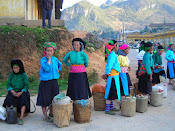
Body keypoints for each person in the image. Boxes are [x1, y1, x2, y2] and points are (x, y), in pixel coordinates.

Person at [36, 42, 62, 122]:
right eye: (48, 51)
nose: (49, 52)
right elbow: (47, 68)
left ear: (53, 51)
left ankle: (51, 113)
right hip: (45, 82)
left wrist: (58, 70)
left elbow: (60, 65)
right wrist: (49, 59)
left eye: (51, 51)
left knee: (53, 98)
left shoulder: (55, 59)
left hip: (53, 82)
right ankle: (45, 115)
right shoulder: (43, 60)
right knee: (44, 99)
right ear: (45, 51)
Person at [3, 59, 30, 125]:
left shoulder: (24, 75)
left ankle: (21, 118)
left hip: (22, 91)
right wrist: (12, 91)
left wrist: (21, 92)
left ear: (20, 68)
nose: (15, 69)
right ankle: (8, 116)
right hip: (13, 91)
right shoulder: (11, 75)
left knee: (23, 100)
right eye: (14, 68)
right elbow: (8, 84)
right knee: (8, 100)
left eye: (16, 68)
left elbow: (26, 86)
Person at [102, 40, 121, 115]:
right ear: (114, 46)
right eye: (117, 45)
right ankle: (107, 109)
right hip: (112, 76)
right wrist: (106, 74)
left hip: (114, 76)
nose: (118, 47)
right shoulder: (113, 55)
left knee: (112, 92)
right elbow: (109, 65)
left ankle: (111, 107)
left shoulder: (112, 54)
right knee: (110, 92)